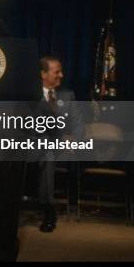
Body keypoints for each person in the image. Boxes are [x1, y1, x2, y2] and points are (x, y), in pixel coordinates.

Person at [35, 56, 84, 233]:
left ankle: (49, 211)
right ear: (43, 74)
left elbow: (79, 126)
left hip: (60, 150)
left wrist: (73, 139)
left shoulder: (68, 96)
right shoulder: (31, 96)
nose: (61, 75)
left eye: (61, 71)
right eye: (57, 72)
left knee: (47, 155)